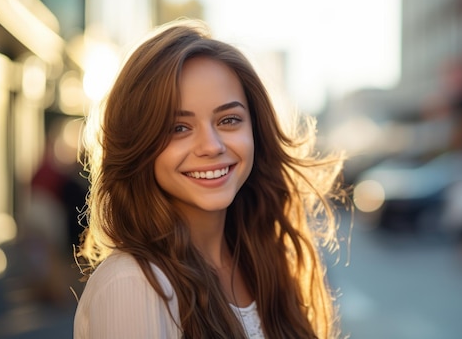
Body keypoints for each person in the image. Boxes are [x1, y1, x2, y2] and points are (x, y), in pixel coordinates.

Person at [73, 19, 348, 339]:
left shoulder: (266, 262)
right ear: (138, 144)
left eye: (229, 120)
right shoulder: (133, 284)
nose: (212, 146)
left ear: (255, 130)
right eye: (178, 128)